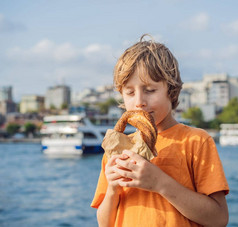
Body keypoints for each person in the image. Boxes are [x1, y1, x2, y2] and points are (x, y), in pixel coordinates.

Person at [91, 34, 229, 227]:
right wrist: (113, 188)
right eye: (130, 92)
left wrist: (160, 183)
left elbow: (218, 219)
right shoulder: (117, 149)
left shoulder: (196, 141)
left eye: (150, 90)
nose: (139, 101)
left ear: (171, 91)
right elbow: (104, 223)